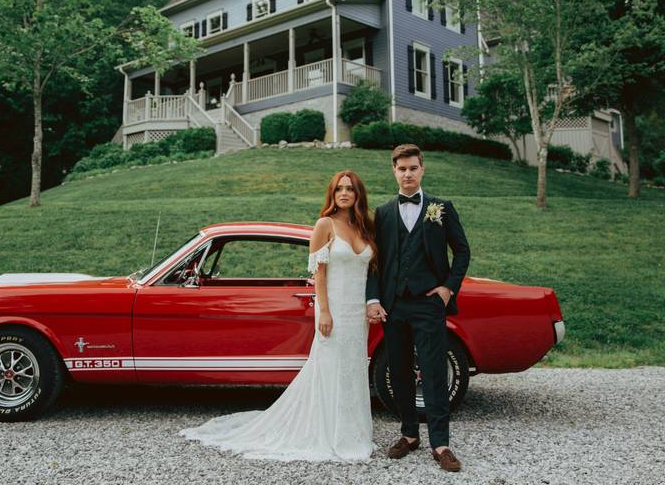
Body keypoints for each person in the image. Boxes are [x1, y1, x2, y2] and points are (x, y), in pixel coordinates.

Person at [180, 170, 376, 462]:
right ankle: (329, 433)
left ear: (359, 194)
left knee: (354, 370)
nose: (344, 194)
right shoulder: (325, 225)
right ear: (332, 195)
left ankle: (354, 432)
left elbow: (371, 270)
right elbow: (319, 275)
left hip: (358, 314)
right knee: (330, 369)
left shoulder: (365, 228)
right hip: (333, 310)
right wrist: (324, 312)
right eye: (339, 189)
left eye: (350, 189)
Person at [366, 144, 470, 472]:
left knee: (435, 372)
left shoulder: (441, 207)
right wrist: (373, 299)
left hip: (428, 304)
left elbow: (462, 252)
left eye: (413, 168)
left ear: (422, 169)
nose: (407, 174)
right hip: (394, 306)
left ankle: (441, 443)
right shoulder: (382, 213)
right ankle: (409, 435)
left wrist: (447, 289)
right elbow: (374, 261)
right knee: (398, 372)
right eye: (402, 169)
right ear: (394, 171)